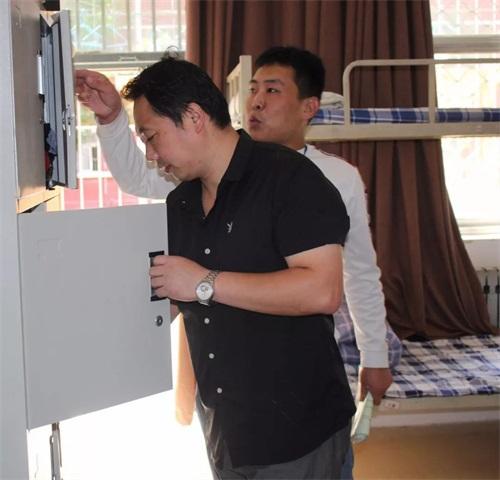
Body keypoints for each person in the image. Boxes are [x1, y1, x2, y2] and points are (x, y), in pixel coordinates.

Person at [75, 46, 393, 477]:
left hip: (297, 430)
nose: (151, 155)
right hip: (226, 428)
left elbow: (322, 290)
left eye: (151, 137)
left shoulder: (293, 179)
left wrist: (203, 282)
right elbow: (174, 293)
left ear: (193, 117)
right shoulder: (182, 199)